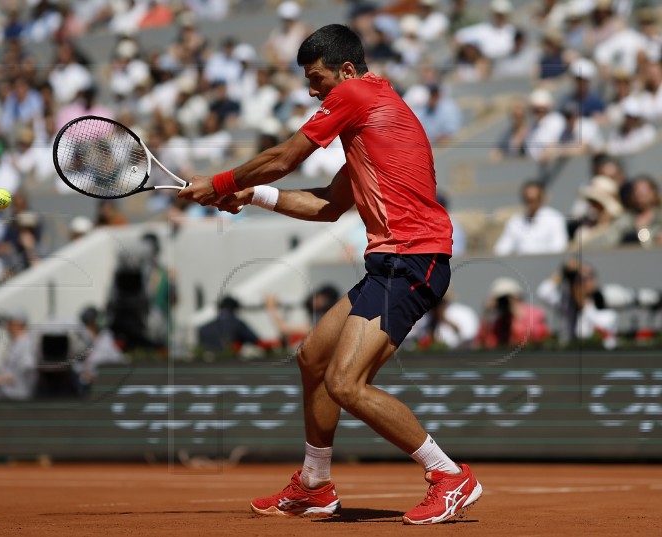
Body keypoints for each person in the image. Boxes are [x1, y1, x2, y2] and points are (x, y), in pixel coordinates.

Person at [178, 24, 481, 525]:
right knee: (313, 358)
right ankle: (315, 484)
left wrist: (218, 182)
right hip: (389, 261)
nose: (310, 89)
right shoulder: (371, 122)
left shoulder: (358, 94)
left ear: (345, 70)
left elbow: (284, 158)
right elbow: (327, 205)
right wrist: (250, 195)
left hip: (413, 258)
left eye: (316, 78)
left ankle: (449, 475)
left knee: (345, 382)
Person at [493, 180, 568, 256]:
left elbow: (559, 248)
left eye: (535, 199)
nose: (531, 203)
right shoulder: (515, 221)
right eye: (528, 199)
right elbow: (501, 249)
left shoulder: (555, 219)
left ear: (542, 198)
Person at [476, 277, 549, 349]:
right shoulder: (500, 321)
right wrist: (486, 314)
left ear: (517, 296)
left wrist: (518, 315)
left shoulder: (535, 314)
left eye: (508, 298)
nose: (504, 301)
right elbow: (485, 343)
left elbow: (538, 337)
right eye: (500, 299)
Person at [0, 309, 37, 400]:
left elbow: (24, 372)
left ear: (19, 323)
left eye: (9, 322)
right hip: (7, 398)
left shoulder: (27, 344)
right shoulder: (15, 344)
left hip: (19, 400)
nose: (6, 326)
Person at [197, 295, 262, 358]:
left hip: (207, 365)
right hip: (231, 363)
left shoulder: (204, 328)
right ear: (235, 309)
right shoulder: (237, 324)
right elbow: (256, 341)